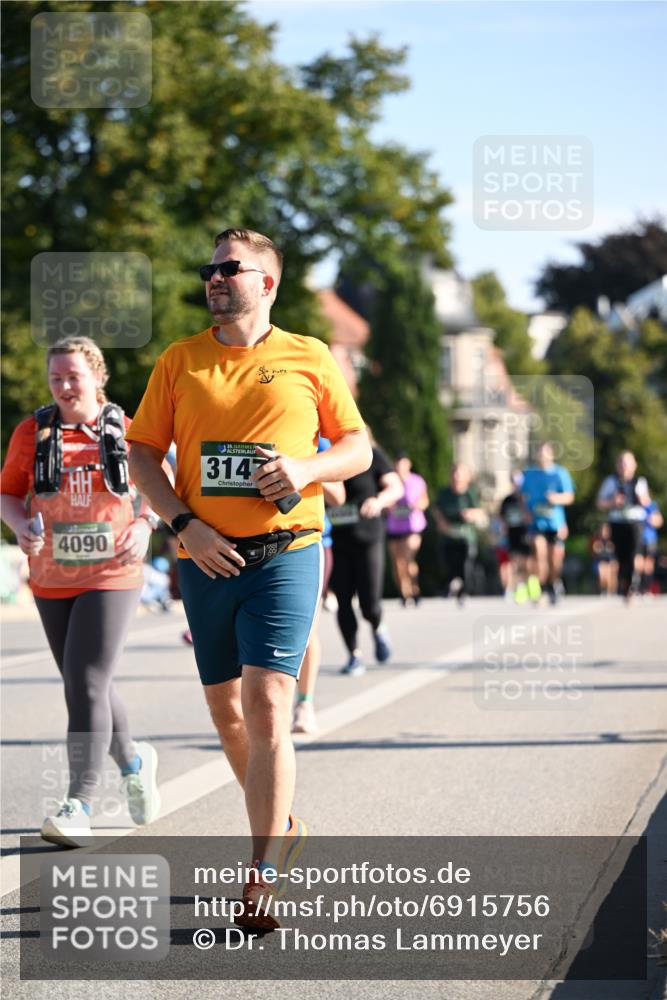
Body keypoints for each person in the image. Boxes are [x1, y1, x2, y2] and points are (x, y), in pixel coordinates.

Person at [126, 228, 370, 930]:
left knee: (267, 704)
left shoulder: (309, 355)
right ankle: (282, 825)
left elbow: (355, 447)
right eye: (209, 269)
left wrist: (305, 469)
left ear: (267, 282)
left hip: (286, 549)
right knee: (227, 714)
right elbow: (143, 455)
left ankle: (261, 871)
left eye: (230, 269)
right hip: (204, 556)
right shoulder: (181, 360)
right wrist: (182, 525)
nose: (214, 278)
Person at [0, 336, 161, 848]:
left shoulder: (128, 431)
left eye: (74, 376)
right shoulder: (33, 431)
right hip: (51, 575)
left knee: (86, 679)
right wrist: (20, 524)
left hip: (113, 571)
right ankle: (134, 763)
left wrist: (146, 524)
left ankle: (80, 803)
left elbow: (160, 485)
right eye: (57, 378)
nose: (66, 386)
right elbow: (7, 492)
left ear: (97, 379)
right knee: (87, 680)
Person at [329, 430, 403, 676]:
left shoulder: (372, 455)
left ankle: (378, 627)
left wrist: (380, 501)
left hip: (368, 537)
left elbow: (396, 487)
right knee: (343, 600)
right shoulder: (327, 457)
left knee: (370, 603)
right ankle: (354, 655)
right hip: (338, 540)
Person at [292, 436, 345, 735]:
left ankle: (304, 704)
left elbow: (339, 495)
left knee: (305, 628)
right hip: (246, 539)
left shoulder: (312, 435)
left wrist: (302, 469)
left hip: (307, 542)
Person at [521, 443, 575, 605]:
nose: (542, 457)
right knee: (539, 552)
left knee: (555, 559)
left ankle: (553, 583)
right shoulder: (529, 474)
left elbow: (570, 496)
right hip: (537, 523)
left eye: (545, 454)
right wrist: (526, 513)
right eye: (539, 453)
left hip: (555, 523)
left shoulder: (560, 473)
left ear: (552, 455)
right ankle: (542, 586)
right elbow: (522, 496)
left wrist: (556, 498)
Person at [597, 451, 651, 601]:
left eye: (627, 463)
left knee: (634, 553)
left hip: (635, 522)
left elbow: (647, 502)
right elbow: (600, 503)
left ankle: (634, 583)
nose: (624, 466)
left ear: (634, 465)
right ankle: (625, 584)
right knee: (621, 556)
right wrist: (612, 502)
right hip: (617, 521)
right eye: (621, 463)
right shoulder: (611, 481)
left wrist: (642, 500)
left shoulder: (640, 481)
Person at [433, 463, 485, 604]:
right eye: (454, 473)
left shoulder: (470, 493)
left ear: (466, 477)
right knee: (448, 564)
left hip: (465, 537)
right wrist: (441, 521)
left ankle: (464, 590)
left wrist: (470, 514)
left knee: (465, 563)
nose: (456, 477)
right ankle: (451, 584)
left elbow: (480, 511)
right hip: (448, 536)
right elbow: (436, 509)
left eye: (459, 474)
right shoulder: (444, 493)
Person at [386, 452, 429, 607]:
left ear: (408, 464)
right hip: (394, 527)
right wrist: (391, 507)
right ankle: (404, 592)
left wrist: (414, 507)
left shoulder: (417, 481)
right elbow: (385, 501)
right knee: (397, 562)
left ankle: (414, 588)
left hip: (413, 526)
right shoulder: (390, 480)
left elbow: (425, 501)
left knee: (407, 557)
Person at [499, 470, 539, 604]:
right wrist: (503, 527)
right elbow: (502, 517)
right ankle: (520, 587)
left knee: (528, 562)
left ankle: (533, 585)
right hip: (513, 533)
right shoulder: (507, 500)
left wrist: (524, 505)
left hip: (526, 532)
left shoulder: (528, 498)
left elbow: (533, 516)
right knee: (515, 563)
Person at [637, 497, 663, 595]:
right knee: (639, 563)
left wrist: (652, 520)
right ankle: (638, 586)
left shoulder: (652, 506)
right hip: (637, 539)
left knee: (648, 564)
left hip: (650, 538)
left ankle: (646, 587)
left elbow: (659, 521)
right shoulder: (635, 505)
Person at [590, 522, 618, 596]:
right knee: (602, 570)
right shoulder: (596, 540)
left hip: (611, 561)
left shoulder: (613, 540)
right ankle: (604, 589)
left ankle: (610, 590)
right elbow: (594, 554)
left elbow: (615, 555)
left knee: (610, 570)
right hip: (600, 561)